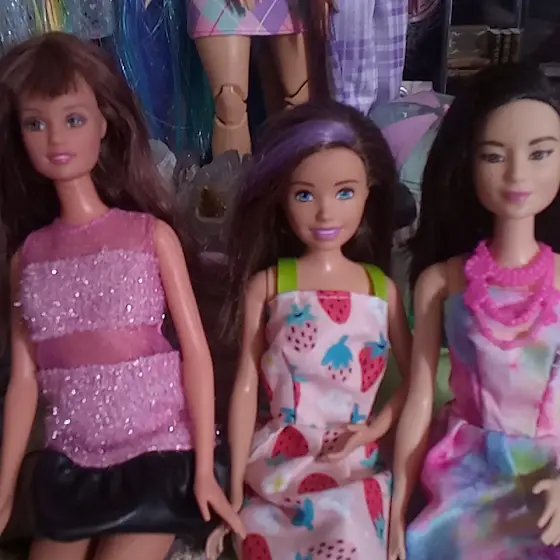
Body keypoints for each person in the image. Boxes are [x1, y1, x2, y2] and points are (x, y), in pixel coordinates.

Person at [0, 32, 243, 560]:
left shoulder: (149, 236)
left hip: (158, 450)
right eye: (35, 123)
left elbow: (195, 354)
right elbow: (24, 380)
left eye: (74, 118)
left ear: (104, 123)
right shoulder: (28, 258)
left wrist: (205, 468)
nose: (55, 137)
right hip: (71, 460)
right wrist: (4, 489)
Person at [206, 100, 412, 559]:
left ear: (369, 191)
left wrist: (373, 430)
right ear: (280, 198)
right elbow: (245, 384)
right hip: (280, 461)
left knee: (351, 535)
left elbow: (414, 381)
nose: (324, 213)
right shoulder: (270, 285)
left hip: (351, 460)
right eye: (304, 195)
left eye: (344, 193)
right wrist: (235, 487)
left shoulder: (382, 290)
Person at [390, 62, 560, 559]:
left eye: (541, 154)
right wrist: (397, 506)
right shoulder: (443, 283)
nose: (517, 175)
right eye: (493, 156)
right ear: (466, 163)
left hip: (549, 478)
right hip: (466, 477)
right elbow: (419, 398)